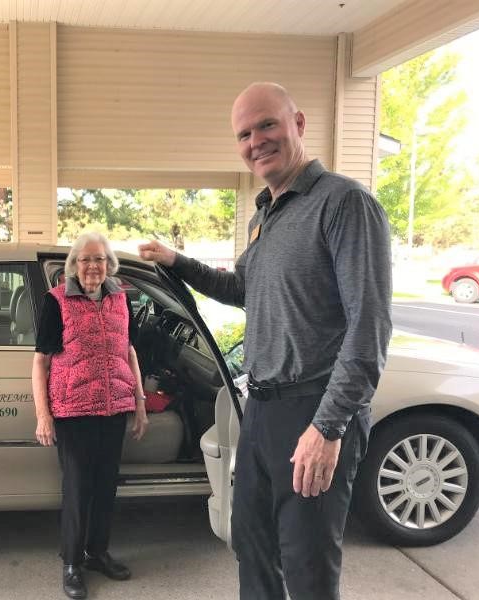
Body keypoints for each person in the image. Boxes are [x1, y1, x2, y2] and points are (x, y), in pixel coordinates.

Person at [139, 82, 392, 600]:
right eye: (244, 134)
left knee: (307, 566)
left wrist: (327, 427)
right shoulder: (263, 216)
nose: (255, 141)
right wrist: (177, 262)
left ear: (297, 124)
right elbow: (242, 289)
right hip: (262, 409)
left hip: (314, 409)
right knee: (251, 545)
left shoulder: (344, 204)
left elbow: (369, 328)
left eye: (267, 125)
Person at [32, 231, 149, 600]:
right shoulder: (56, 301)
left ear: (109, 264)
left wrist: (140, 401)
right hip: (73, 411)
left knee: (105, 486)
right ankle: (72, 562)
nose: (93, 266)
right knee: (78, 488)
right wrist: (43, 415)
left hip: (114, 409)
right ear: (74, 265)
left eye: (99, 259)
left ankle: (97, 553)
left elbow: (128, 350)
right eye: (85, 259)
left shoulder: (120, 298)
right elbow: (40, 362)